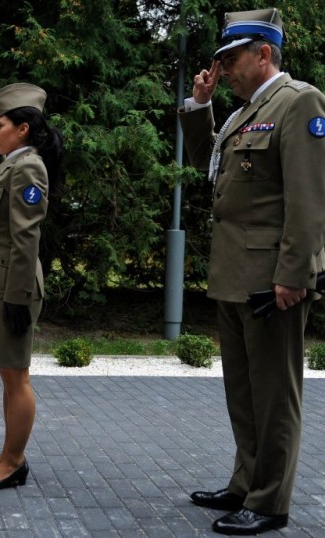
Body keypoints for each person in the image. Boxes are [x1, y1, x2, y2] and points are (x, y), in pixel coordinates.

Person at [178, 8, 325, 535]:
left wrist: (296, 274)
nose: (224, 69)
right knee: (243, 392)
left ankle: (269, 501)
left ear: (264, 54)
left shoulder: (298, 102)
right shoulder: (245, 112)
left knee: (274, 395)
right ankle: (245, 482)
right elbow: (208, 165)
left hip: (271, 280)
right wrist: (201, 105)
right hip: (235, 274)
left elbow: (309, 199)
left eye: (232, 59)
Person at [0, 83, 64, 490]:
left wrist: (18, 297)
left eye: (0, 126)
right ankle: (7, 455)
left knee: (16, 377)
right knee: (9, 376)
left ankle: (14, 462)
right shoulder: (13, 163)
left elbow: (26, 238)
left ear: (23, 129)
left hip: (14, 285)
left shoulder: (29, 168)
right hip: (2, 281)